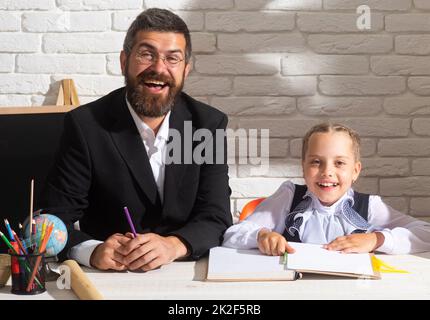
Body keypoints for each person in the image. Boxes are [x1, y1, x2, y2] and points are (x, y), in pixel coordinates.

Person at [40, 8, 232, 271]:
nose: (158, 68)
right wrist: (92, 250)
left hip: (186, 274)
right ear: (124, 61)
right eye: (146, 54)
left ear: (185, 70)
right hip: (110, 278)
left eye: (172, 59)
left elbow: (217, 216)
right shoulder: (85, 125)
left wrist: (173, 245)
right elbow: (54, 220)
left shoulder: (208, 125)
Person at [223, 123, 430, 256]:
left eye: (339, 163)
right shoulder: (288, 197)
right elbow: (232, 234)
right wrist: (261, 235)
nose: (327, 172)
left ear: (355, 171)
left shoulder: (369, 206)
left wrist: (376, 239)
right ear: (303, 167)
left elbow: (425, 232)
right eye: (316, 162)